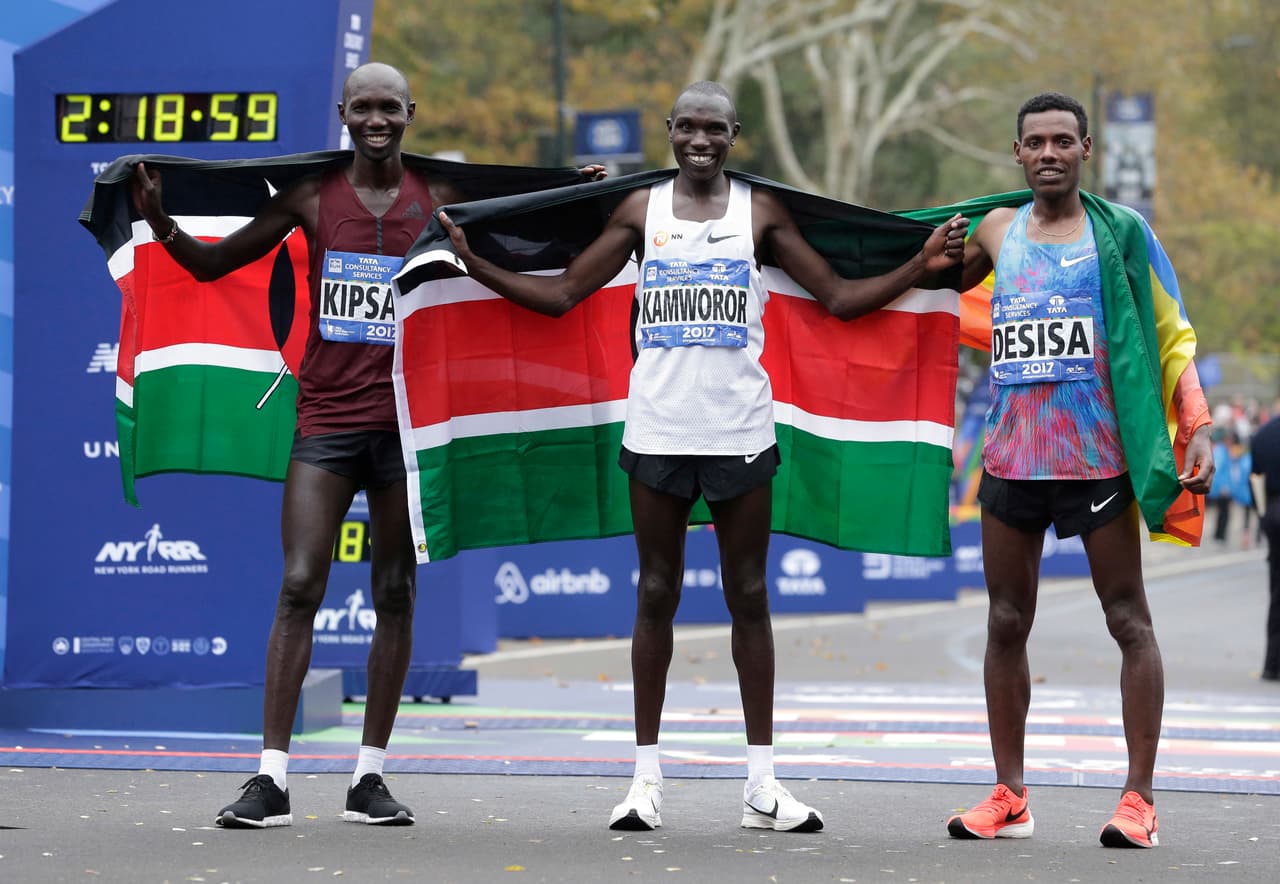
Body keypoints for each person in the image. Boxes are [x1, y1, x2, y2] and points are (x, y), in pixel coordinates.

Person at [438, 80, 967, 833]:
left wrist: (918, 267)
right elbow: (561, 295)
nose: (699, 140)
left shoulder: (760, 212)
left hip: (740, 434)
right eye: (687, 127)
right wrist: (470, 266)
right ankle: (644, 782)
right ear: (668, 130)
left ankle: (762, 784)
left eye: (714, 129)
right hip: (655, 433)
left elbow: (840, 301)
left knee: (748, 598)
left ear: (734, 135)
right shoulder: (636, 211)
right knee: (656, 594)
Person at [130, 62, 603, 829]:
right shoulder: (312, 199)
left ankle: (369, 778)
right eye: (364, 108)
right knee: (299, 583)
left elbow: (531, 214)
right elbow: (215, 264)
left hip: (409, 426)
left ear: (410, 113)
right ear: (344, 114)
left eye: (390, 108)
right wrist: (159, 220)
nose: (377, 119)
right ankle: (270, 781)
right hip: (326, 422)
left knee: (394, 593)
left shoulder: (440, 195)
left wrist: (579, 186)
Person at [946, 92, 1214, 849]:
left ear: (1086, 150)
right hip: (1012, 459)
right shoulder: (997, 231)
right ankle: (1010, 794)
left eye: (1064, 140)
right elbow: (920, 277)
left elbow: (1168, 330)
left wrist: (1195, 422)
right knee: (1005, 621)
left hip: (1097, 458)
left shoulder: (1121, 232)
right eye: (1036, 142)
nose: (1050, 153)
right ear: (1019, 154)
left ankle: (1139, 800)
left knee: (1128, 620)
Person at [1250, 403, 1280, 681]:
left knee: (1276, 591)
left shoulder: (1263, 435)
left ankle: (1273, 663)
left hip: (1273, 511)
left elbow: (1254, 476)